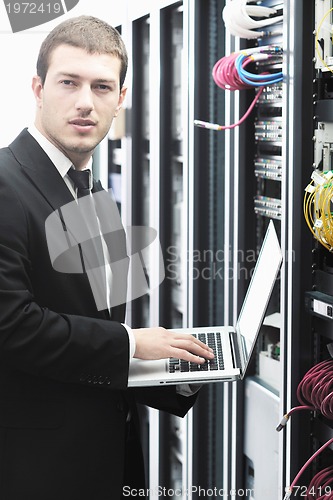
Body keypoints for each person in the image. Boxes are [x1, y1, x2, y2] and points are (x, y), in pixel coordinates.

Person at [0, 15, 214, 500]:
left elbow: (94, 327)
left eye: (101, 87)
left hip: (100, 461)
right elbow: (11, 325)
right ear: (38, 87)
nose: (84, 102)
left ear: (120, 99)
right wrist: (134, 344)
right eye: (68, 82)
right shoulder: (6, 183)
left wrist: (177, 373)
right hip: (33, 471)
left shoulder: (95, 192)